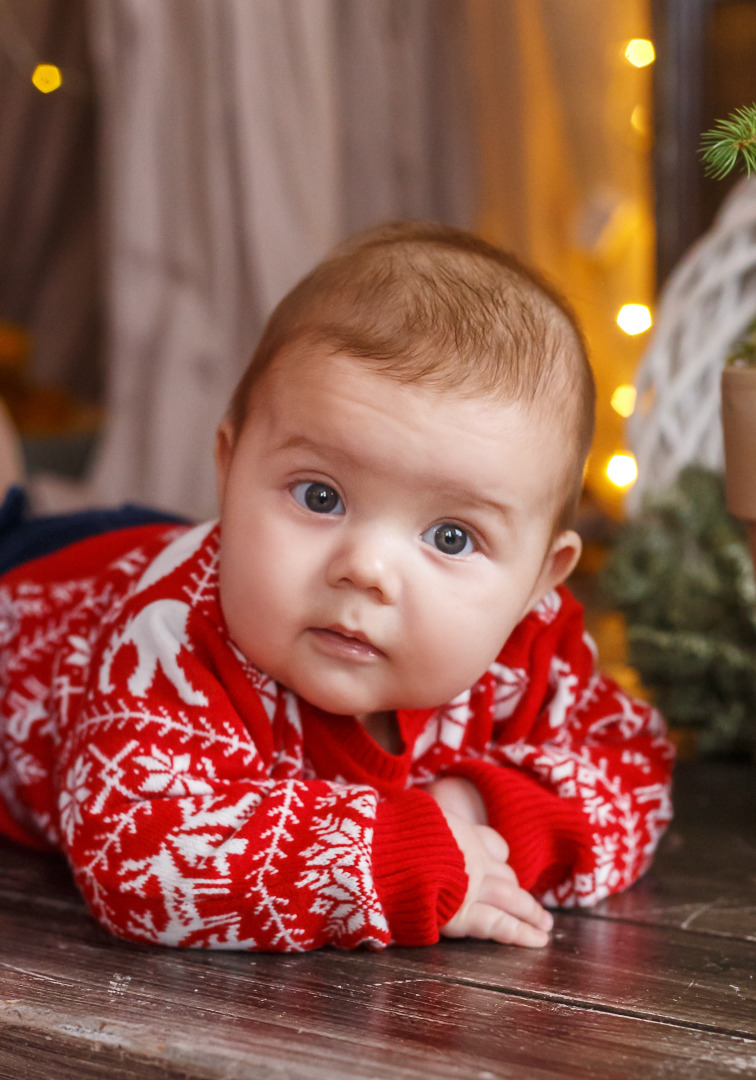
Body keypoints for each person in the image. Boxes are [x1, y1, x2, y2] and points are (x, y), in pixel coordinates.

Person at [0, 223, 674, 952]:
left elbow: (633, 768)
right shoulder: (172, 639)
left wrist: (476, 811)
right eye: (319, 496)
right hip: (46, 584)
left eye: (451, 537)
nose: (366, 569)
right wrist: (399, 858)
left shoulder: (529, 646)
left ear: (539, 579)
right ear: (229, 471)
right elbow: (135, 853)